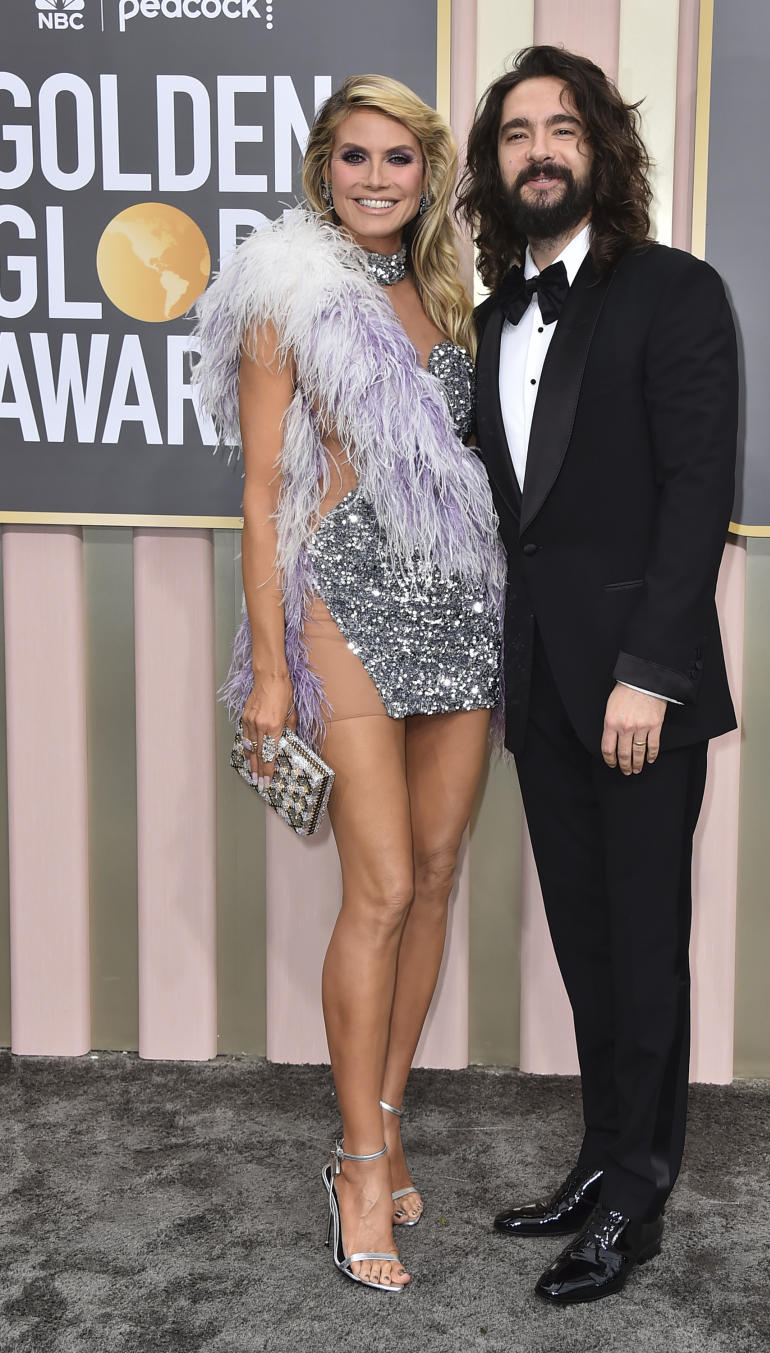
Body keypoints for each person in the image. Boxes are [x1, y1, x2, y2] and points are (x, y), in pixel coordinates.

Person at [194, 74, 503, 1294]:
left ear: (427, 174)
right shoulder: (291, 296)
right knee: (375, 888)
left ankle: (386, 1106)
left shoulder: (447, 291)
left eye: (400, 160)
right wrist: (270, 665)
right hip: (344, 613)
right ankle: (359, 1163)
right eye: (355, 159)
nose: (377, 179)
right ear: (325, 169)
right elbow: (264, 493)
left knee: (433, 877)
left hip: (461, 613)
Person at [457, 45, 739, 1305]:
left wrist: (650, 673)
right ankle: (598, 1158)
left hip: (637, 690)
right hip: (540, 691)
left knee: (646, 945)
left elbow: (697, 502)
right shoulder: (491, 317)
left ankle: (639, 1195)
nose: (539, 151)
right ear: (494, 166)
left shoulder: (674, 293)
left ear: (602, 150)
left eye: (561, 128)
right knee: (586, 948)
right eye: (516, 133)